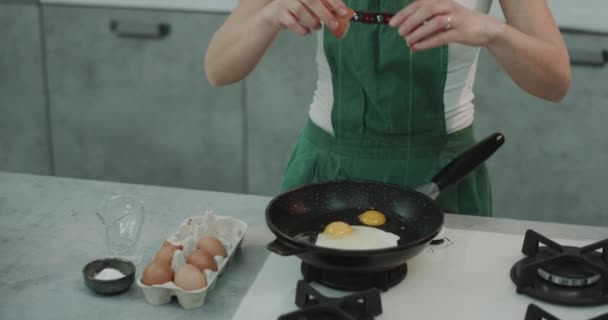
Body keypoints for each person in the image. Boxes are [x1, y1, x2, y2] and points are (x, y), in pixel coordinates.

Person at [204, 0, 571, 216]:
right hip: (323, 175)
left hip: (445, 179)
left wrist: (495, 32)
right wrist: (269, 15)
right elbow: (218, 68)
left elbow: (555, 82)